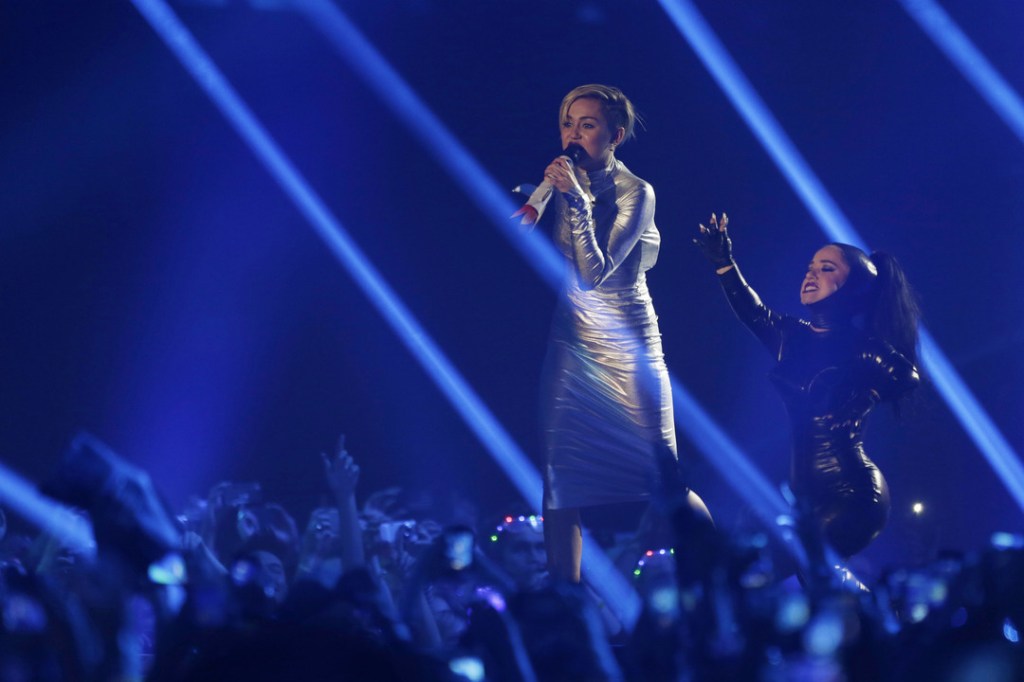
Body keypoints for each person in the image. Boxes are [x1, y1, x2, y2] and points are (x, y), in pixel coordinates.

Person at [537, 84, 710, 583]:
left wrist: (575, 200)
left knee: (663, 476)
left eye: (587, 125)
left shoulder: (638, 192)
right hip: (571, 339)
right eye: (568, 122)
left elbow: (596, 272)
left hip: (629, 339)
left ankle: (715, 578)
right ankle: (566, 601)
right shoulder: (561, 184)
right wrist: (535, 205)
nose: (573, 134)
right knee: (559, 482)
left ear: (614, 136)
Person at [694, 213, 921, 561]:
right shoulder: (790, 336)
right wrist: (724, 263)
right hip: (805, 494)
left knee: (791, 564)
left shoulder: (863, 346)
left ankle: (876, 612)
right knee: (781, 572)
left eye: (827, 268)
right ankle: (867, 610)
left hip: (854, 494)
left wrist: (866, 397)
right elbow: (751, 310)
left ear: (854, 286)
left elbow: (906, 375)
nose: (811, 273)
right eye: (811, 266)